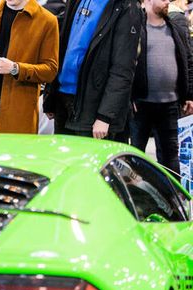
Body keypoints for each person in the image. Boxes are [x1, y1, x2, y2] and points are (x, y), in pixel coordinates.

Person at [44, 0, 142, 142]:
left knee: (87, 162)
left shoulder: (127, 6)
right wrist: (50, 97)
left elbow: (122, 69)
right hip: (63, 99)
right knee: (63, 160)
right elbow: (63, 44)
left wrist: (105, 116)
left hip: (93, 108)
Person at [0, 0, 59, 133]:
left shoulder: (47, 21)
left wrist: (15, 68)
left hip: (18, 113)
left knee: (15, 153)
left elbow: (50, 70)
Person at [130, 0, 193, 176]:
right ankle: (138, 198)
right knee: (136, 156)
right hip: (140, 105)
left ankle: (172, 200)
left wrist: (189, 95)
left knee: (171, 158)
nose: (167, 2)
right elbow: (125, 65)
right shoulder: (135, 28)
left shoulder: (175, 29)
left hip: (171, 105)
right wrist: (129, 97)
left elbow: (188, 62)